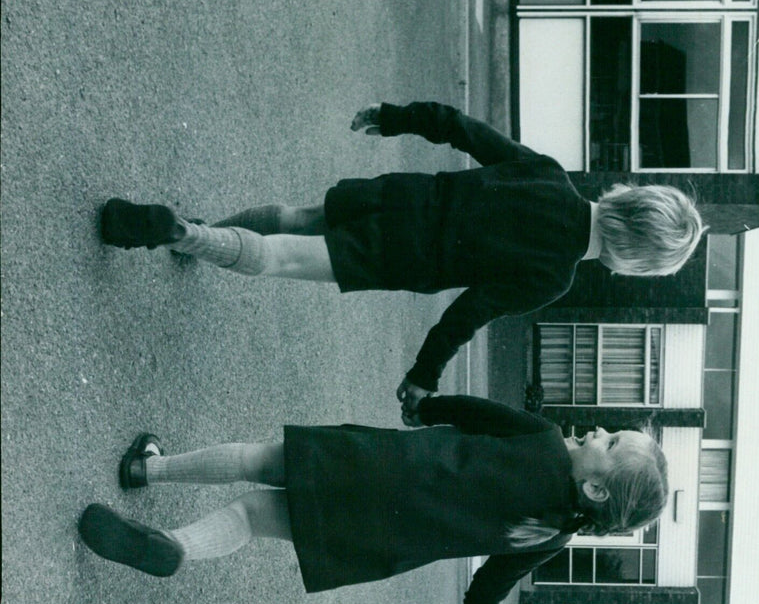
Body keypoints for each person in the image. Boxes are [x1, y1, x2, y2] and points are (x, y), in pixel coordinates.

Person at [98, 101, 706, 425]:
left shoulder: (549, 176)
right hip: (402, 257)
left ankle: (203, 228)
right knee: (282, 258)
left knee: (294, 217)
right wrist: (423, 378)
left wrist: (393, 117)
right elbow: (466, 316)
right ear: (631, 263)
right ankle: (183, 232)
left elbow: (462, 128)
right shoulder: (555, 276)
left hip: (402, 195)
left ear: (628, 196)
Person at [77, 396, 668, 604]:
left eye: (610, 439)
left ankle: (148, 469)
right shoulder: (550, 534)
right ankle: (177, 547)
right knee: (255, 515)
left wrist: (424, 405)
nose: (596, 429)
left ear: (596, 485)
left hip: (377, 465)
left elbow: (470, 412)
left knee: (258, 460)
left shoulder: (540, 438)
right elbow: (492, 582)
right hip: (384, 536)